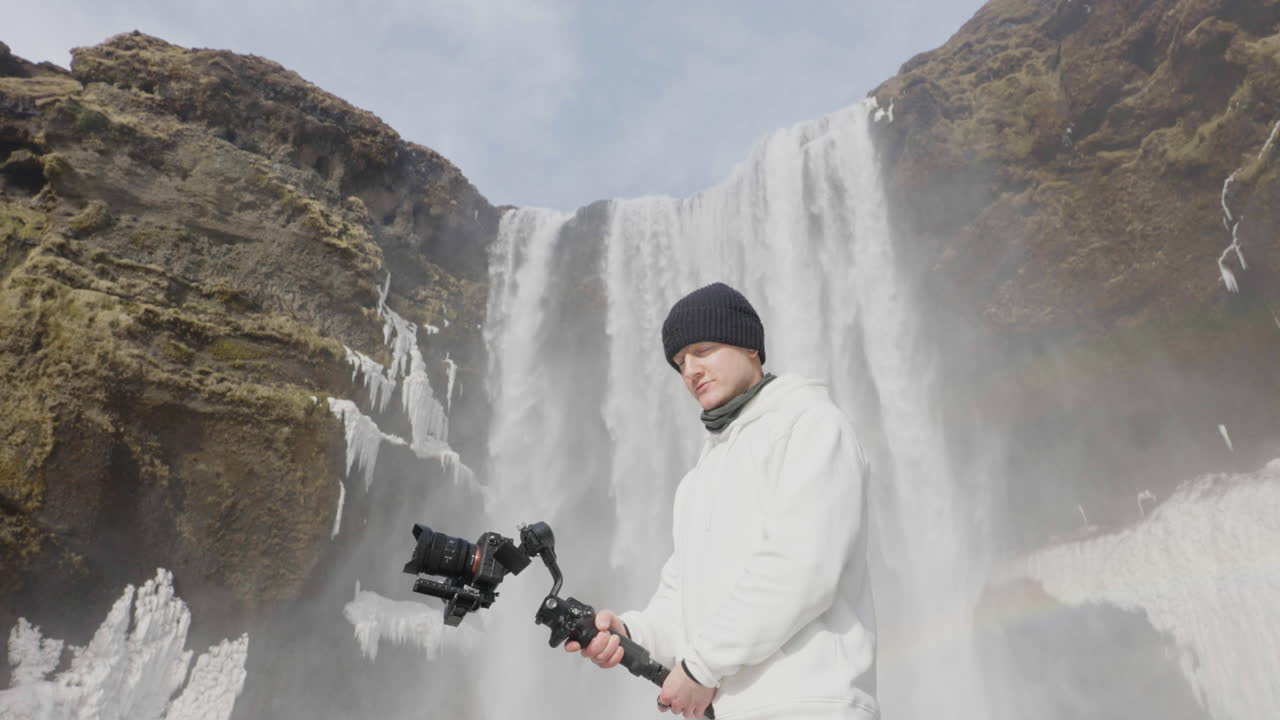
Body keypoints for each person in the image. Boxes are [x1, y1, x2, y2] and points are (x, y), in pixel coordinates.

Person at [564, 282, 879, 719]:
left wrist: (700, 669)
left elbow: (803, 567)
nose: (690, 370)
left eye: (704, 349)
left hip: (809, 704)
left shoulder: (813, 425)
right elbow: (683, 601)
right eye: (679, 361)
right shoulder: (699, 479)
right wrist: (630, 631)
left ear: (750, 346)